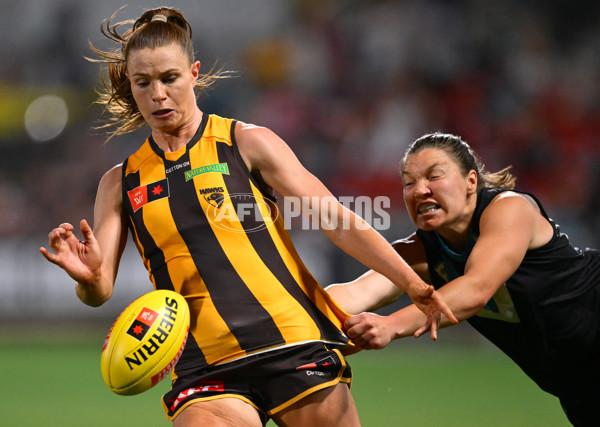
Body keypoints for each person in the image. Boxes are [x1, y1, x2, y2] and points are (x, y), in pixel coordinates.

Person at [39, 7, 456, 427]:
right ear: (130, 86)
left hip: (293, 343)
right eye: (142, 83)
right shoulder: (120, 183)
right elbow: (100, 290)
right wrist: (87, 279)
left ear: (195, 73)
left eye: (169, 78)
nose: (157, 94)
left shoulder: (246, 142)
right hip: (207, 367)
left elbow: (337, 220)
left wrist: (412, 284)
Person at [326, 132, 600, 426]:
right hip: (578, 386)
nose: (420, 190)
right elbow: (356, 293)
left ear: (471, 181)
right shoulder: (420, 252)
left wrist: (391, 325)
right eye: (409, 182)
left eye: (434, 176)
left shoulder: (509, 209)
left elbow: (476, 289)